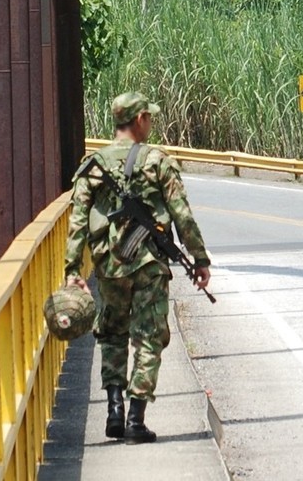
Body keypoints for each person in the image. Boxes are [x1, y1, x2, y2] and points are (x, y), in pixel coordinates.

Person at [64, 92, 211, 445]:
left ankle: (114, 408)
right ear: (139, 119)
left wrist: (72, 268)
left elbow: (78, 220)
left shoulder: (92, 165)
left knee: (112, 334)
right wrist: (199, 258)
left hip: (110, 267)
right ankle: (135, 418)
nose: (151, 122)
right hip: (149, 266)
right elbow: (181, 214)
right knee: (148, 337)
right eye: (150, 117)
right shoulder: (157, 161)